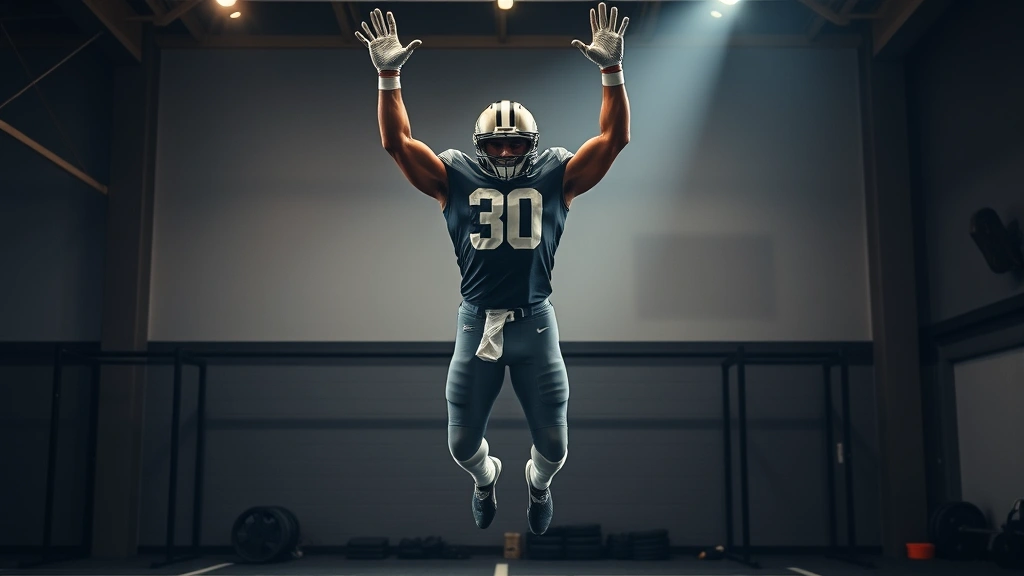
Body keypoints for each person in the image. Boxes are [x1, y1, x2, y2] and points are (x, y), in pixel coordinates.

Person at [355, 2, 630, 535]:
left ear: (531, 145)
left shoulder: (557, 174)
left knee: (554, 445)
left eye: (515, 143)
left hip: (534, 321)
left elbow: (613, 139)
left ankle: (537, 484)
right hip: (477, 321)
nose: (506, 151)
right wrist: (388, 77)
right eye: (497, 143)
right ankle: (486, 479)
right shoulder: (452, 176)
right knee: (460, 444)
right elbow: (397, 143)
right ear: (480, 145)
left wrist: (612, 72)